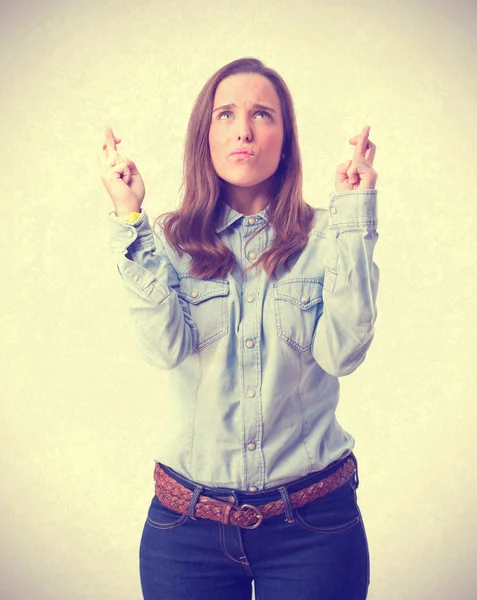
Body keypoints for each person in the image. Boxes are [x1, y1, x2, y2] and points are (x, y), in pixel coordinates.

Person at [99, 57, 378, 600]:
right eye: (226, 114)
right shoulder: (169, 242)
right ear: (205, 134)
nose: (243, 129)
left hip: (315, 527)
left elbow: (343, 352)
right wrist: (128, 220)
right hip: (187, 532)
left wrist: (356, 211)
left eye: (262, 114)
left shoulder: (327, 235)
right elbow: (163, 349)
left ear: (286, 136)